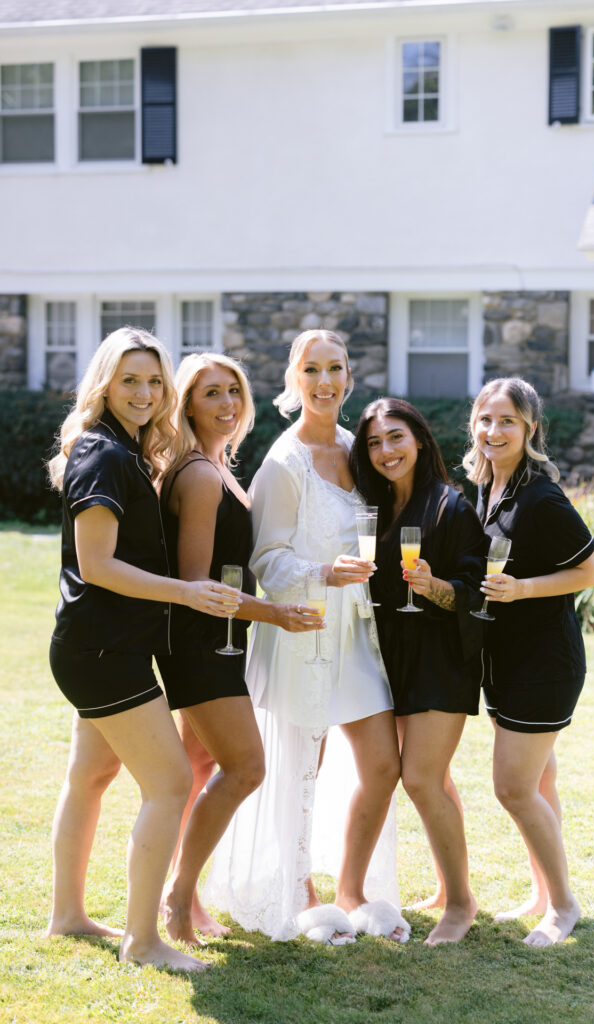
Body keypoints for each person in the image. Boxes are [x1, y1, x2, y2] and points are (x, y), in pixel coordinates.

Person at [204, 329, 410, 944]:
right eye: (312, 369)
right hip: (303, 628)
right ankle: (299, 890)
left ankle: (352, 889)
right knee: (302, 769)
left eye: (336, 368)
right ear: (295, 379)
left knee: (381, 766)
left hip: (358, 633)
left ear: (349, 377)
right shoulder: (283, 462)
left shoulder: (359, 447)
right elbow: (266, 560)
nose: (325, 381)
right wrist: (321, 573)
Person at [46, 327, 241, 971]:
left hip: (95, 645)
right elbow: (96, 565)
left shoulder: (123, 449)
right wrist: (186, 594)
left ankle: (68, 915)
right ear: (104, 383)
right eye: (130, 379)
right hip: (106, 650)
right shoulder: (103, 455)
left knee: (91, 778)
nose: (145, 391)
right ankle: (144, 940)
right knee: (170, 781)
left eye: (154, 380)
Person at [155, 352, 321, 946]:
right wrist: (275, 612)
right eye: (210, 394)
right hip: (201, 647)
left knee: (199, 769)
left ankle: (184, 893)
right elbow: (199, 589)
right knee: (246, 767)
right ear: (187, 404)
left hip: (226, 642)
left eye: (234, 391)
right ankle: (178, 897)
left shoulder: (219, 465)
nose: (226, 404)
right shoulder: (199, 476)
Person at [463, 376, 594, 947]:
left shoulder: (541, 497)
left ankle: (563, 906)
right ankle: (541, 892)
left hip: (543, 664)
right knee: (539, 781)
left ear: (530, 429)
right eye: (486, 420)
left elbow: (591, 572)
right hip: (505, 659)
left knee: (514, 787)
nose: (494, 431)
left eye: (508, 422)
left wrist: (522, 591)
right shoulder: (486, 486)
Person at [349, 397, 485, 945]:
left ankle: (460, 903)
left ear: (421, 441)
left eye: (396, 437)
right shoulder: (374, 510)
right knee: (421, 778)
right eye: (375, 442)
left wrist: (434, 588)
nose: (386, 451)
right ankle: (378, 890)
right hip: (385, 660)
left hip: (440, 659)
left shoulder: (450, 507)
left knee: (421, 778)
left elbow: (476, 595)